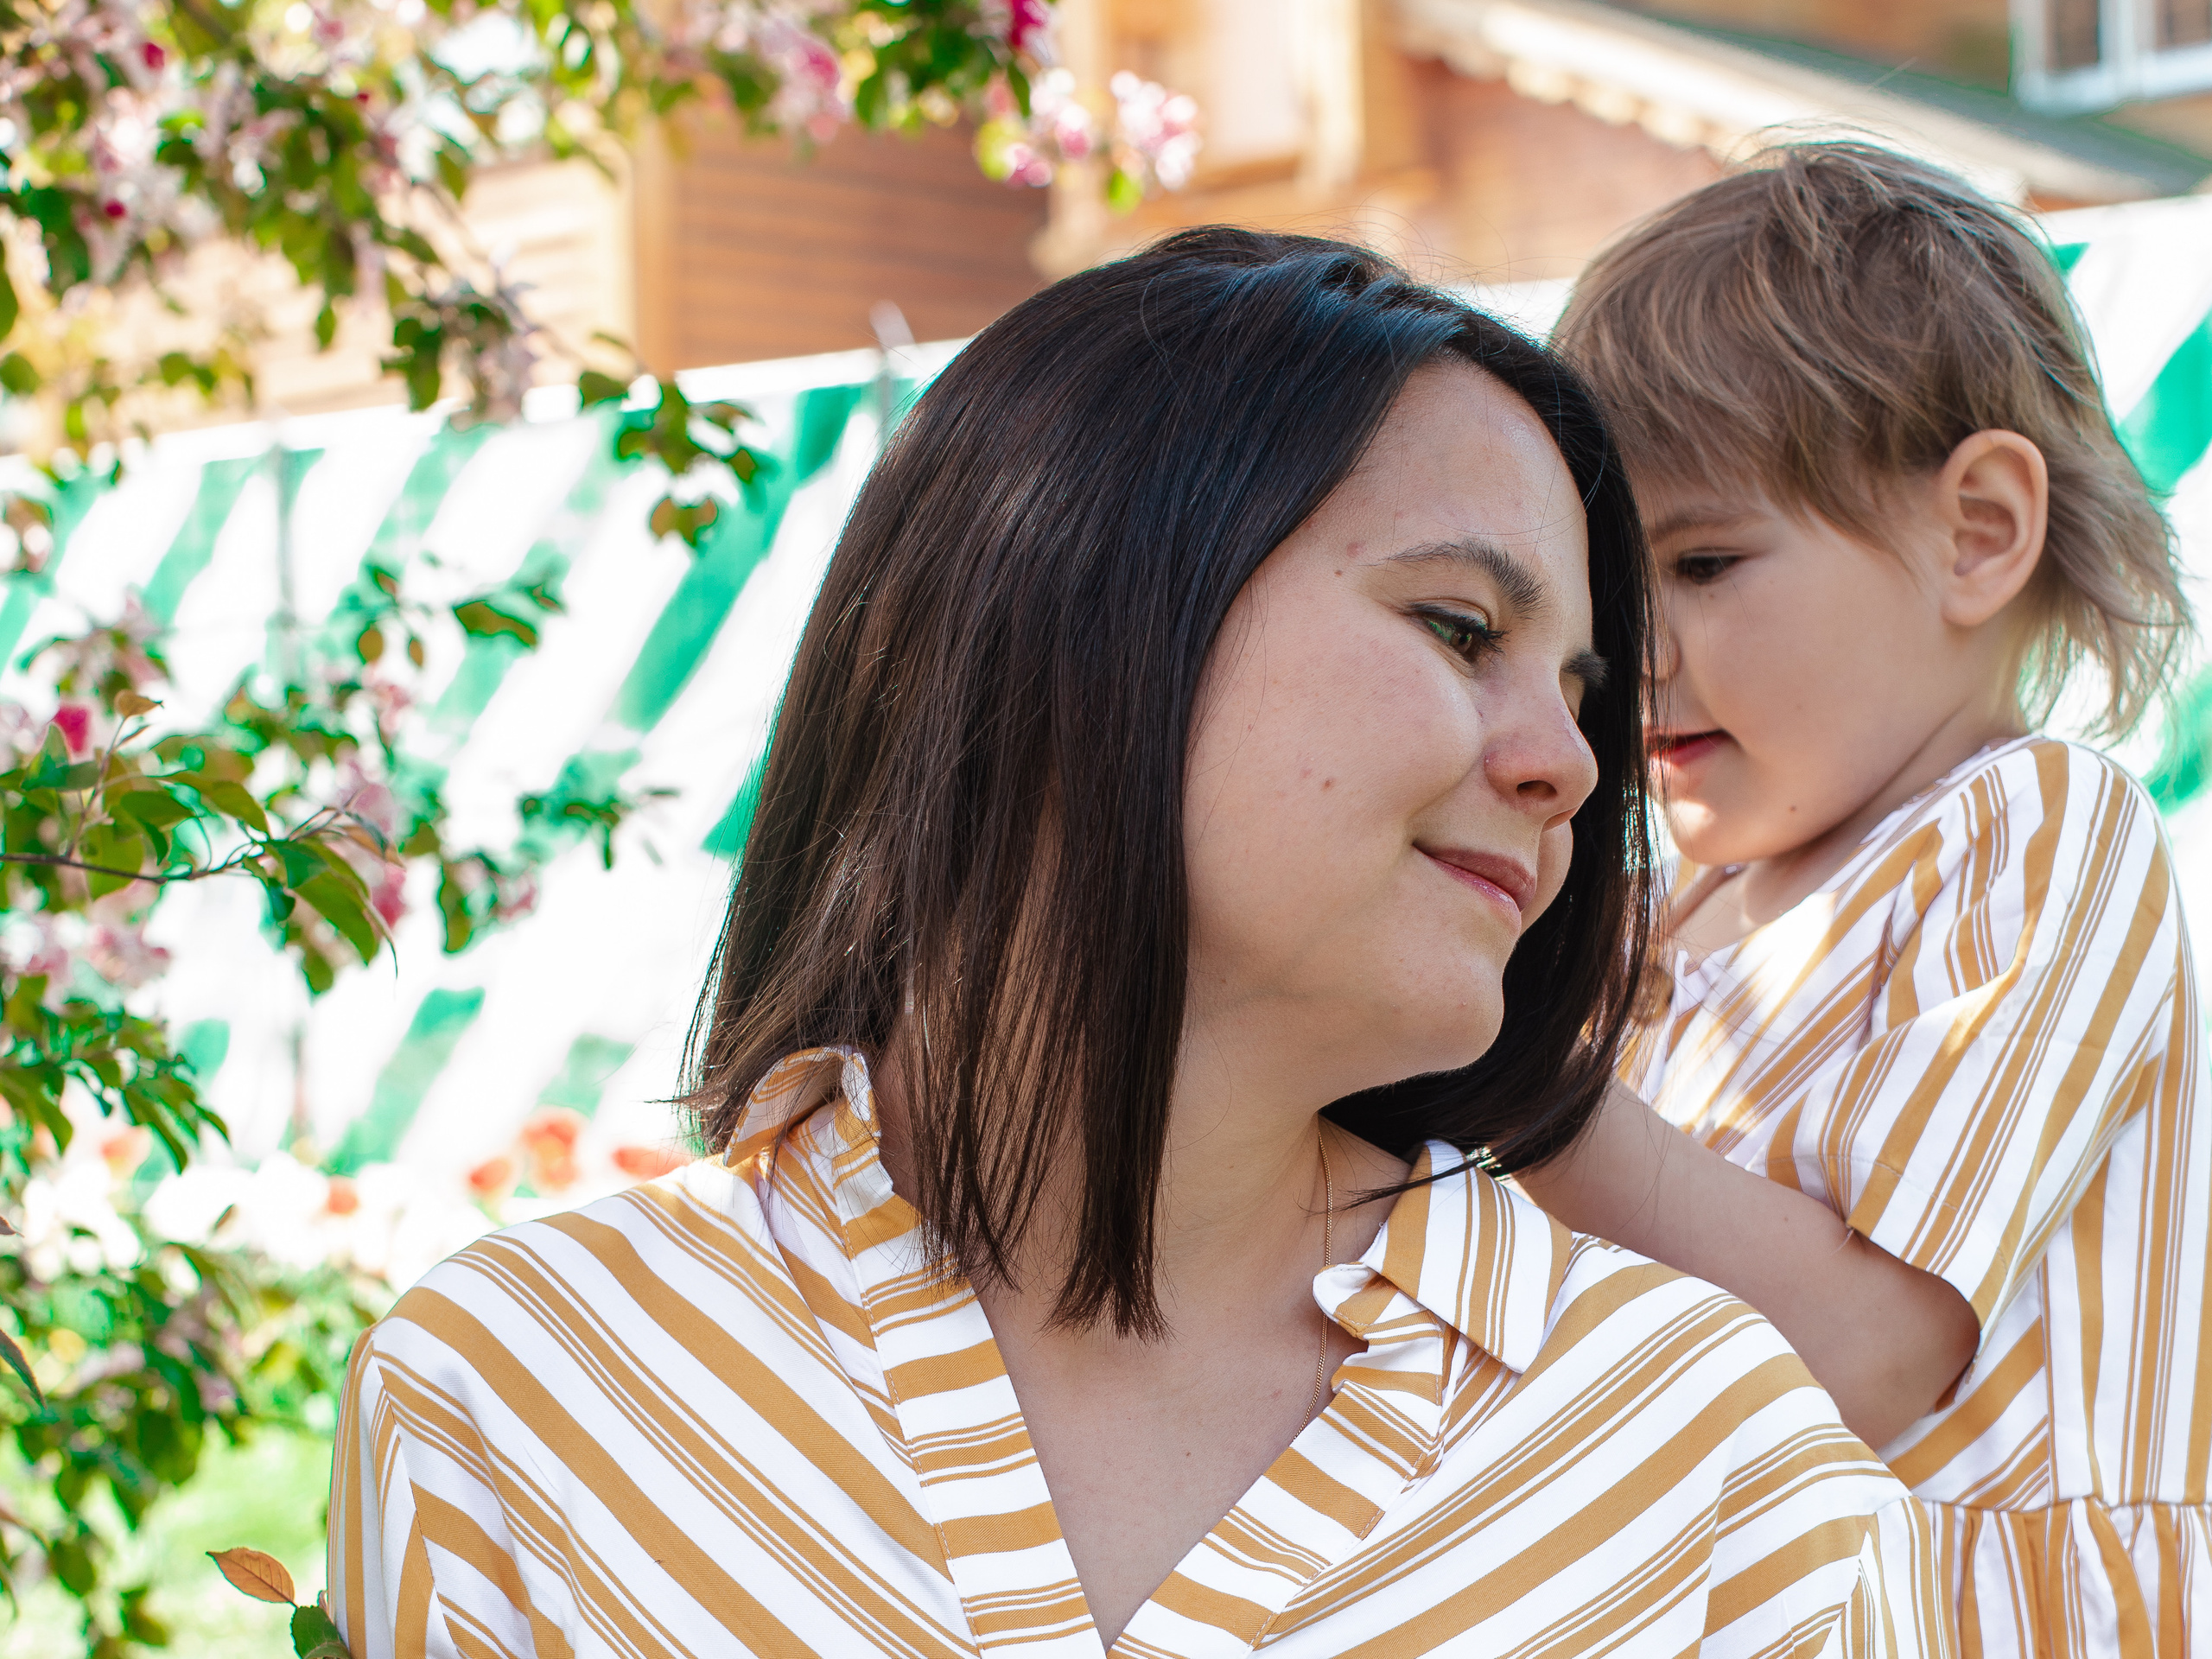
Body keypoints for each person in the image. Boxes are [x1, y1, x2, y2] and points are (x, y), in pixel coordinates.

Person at [327, 228, 1942, 1657]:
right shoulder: (513, 1390)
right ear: (1069, 603)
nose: (1572, 765)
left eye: (1582, 695)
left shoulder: (1714, 1465)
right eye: (1461, 629)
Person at [1532, 143, 2207, 1656]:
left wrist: (1537, 1101)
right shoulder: (1673, 912)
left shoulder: (2035, 831)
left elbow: (1875, 1352)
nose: (1633, 656)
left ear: (1978, 533)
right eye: (1605, 596)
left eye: (1704, 561)